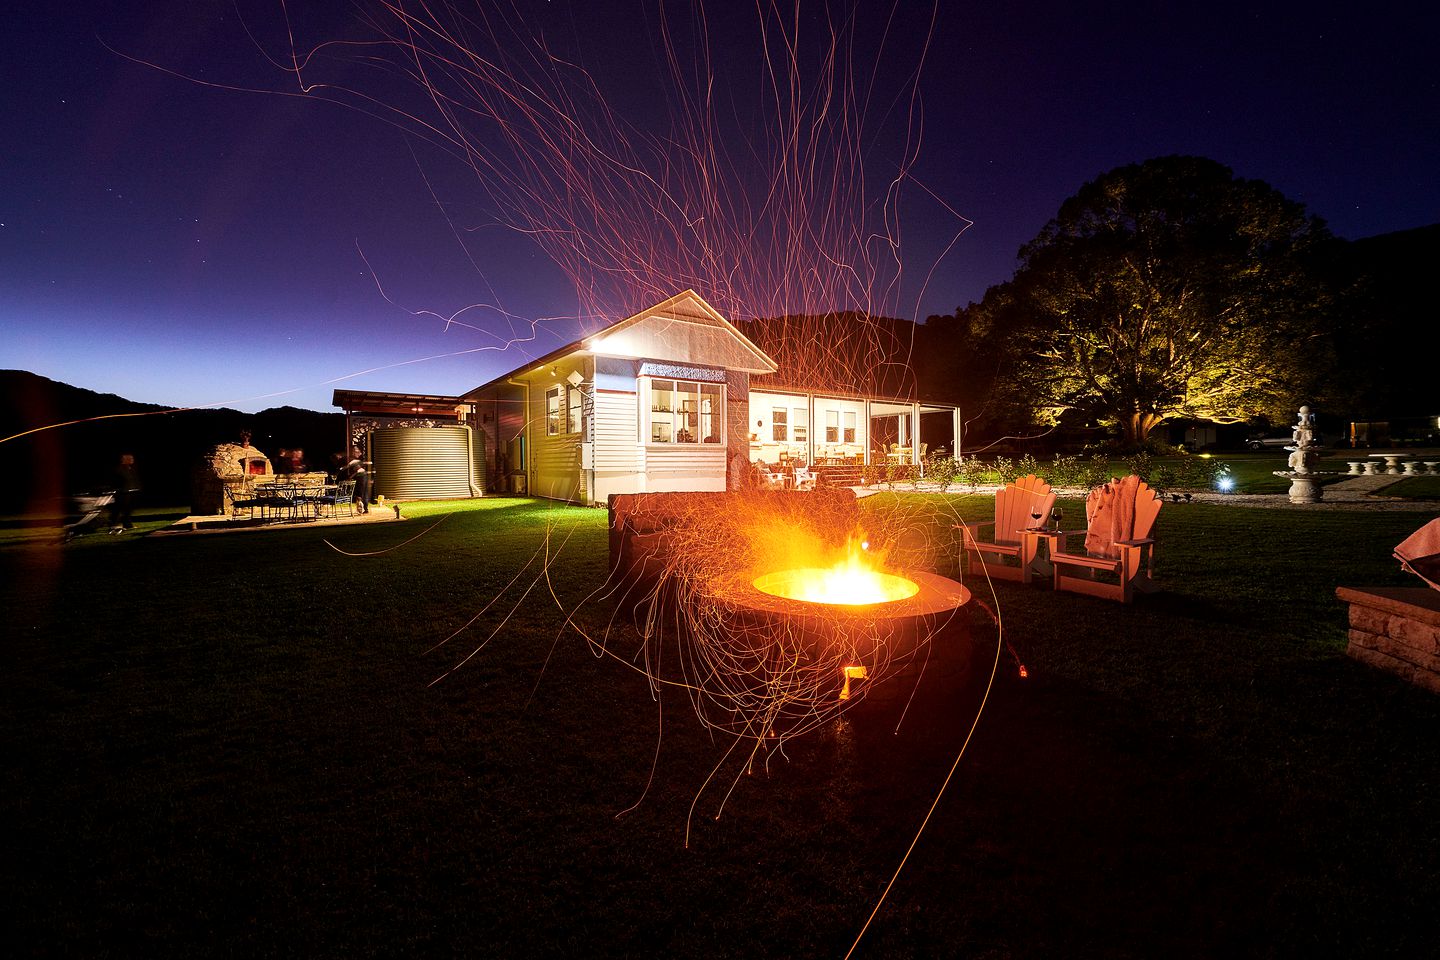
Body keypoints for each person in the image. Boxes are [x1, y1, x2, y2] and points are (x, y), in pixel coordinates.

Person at [108, 453, 141, 533]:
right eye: (130, 458)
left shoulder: (130, 468)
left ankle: (127, 524)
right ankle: (113, 525)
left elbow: (132, 479)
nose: (132, 460)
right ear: (125, 460)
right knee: (118, 509)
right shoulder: (119, 469)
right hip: (122, 493)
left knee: (128, 510)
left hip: (130, 492)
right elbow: (117, 481)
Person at [345, 446, 370, 513]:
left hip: (361, 476)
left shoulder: (360, 459)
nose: (354, 453)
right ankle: (363, 508)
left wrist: (350, 477)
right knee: (361, 493)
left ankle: (362, 508)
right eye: (353, 451)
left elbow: (359, 470)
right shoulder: (354, 459)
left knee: (362, 493)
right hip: (360, 476)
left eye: (356, 451)